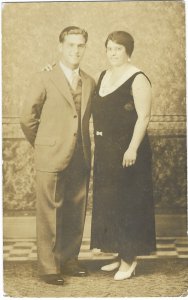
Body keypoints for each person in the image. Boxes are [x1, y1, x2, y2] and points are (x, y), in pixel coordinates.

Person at [20, 26, 95, 285]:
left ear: (85, 48)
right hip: (51, 153)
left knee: (75, 209)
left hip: (80, 154)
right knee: (50, 212)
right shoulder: (44, 77)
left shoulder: (89, 81)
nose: (76, 50)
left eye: (80, 45)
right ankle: (49, 267)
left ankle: (69, 259)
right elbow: (27, 118)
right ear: (60, 47)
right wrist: (43, 143)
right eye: (71, 45)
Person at [90, 31, 156, 280]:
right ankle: (120, 254)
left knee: (128, 203)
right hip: (106, 150)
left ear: (128, 51)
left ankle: (130, 260)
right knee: (111, 203)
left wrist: (132, 148)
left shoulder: (138, 78)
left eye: (118, 49)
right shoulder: (102, 75)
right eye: (109, 48)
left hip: (129, 151)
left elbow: (144, 117)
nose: (113, 53)